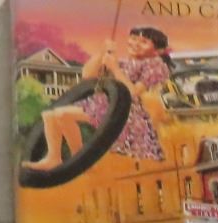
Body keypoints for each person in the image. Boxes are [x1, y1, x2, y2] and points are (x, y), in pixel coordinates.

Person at [34, 26, 172, 170]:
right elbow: (87, 75)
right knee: (49, 116)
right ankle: (56, 158)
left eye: (144, 42)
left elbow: (133, 93)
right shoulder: (123, 62)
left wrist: (115, 68)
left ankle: (80, 160)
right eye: (134, 38)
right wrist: (101, 52)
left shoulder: (155, 65)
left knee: (62, 114)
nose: (136, 43)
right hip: (104, 104)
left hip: (125, 110)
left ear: (157, 51)